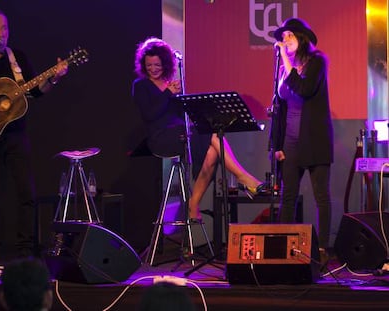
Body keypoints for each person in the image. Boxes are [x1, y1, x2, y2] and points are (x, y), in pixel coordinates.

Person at [132, 37, 266, 220]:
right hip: (160, 138)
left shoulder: (170, 84)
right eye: (149, 65)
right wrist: (168, 94)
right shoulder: (141, 86)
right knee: (211, 133)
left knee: (212, 154)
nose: (153, 69)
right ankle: (243, 177)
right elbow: (150, 114)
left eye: (157, 64)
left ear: (165, 63)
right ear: (143, 64)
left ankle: (193, 205)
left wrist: (178, 96)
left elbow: (180, 116)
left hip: (180, 133)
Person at [0, 8, 68, 265]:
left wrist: (54, 79)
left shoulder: (18, 58)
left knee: (25, 192)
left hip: (16, 133)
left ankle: (25, 251)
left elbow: (37, 91)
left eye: (4, 28)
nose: (1, 33)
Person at [272, 18, 334, 264]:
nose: (285, 41)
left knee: (321, 196)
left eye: (289, 36)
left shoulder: (317, 61)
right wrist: (277, 145)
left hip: (315, 139)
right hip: (291, 140)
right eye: (283, 37)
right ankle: (283, 247)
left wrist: (286, 63)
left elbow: (305, 89)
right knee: (288, 196)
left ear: (301, 38)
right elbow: (280, 107)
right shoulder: (284, 68)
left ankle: (323, 249)